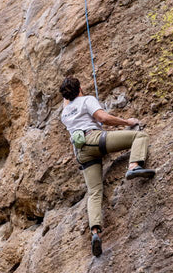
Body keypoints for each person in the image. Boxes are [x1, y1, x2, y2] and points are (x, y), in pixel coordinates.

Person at [59, 76, 155, 256]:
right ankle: (134, 166)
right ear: (80, 89)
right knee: (139, 136)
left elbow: (68, 101)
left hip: (82, 152)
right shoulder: (87, 100)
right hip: (95, 139)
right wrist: (128, 122)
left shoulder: (65, 113)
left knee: (94, 192)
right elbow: (103, 118)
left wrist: (69, 94)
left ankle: (95, 232)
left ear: (66, 96)